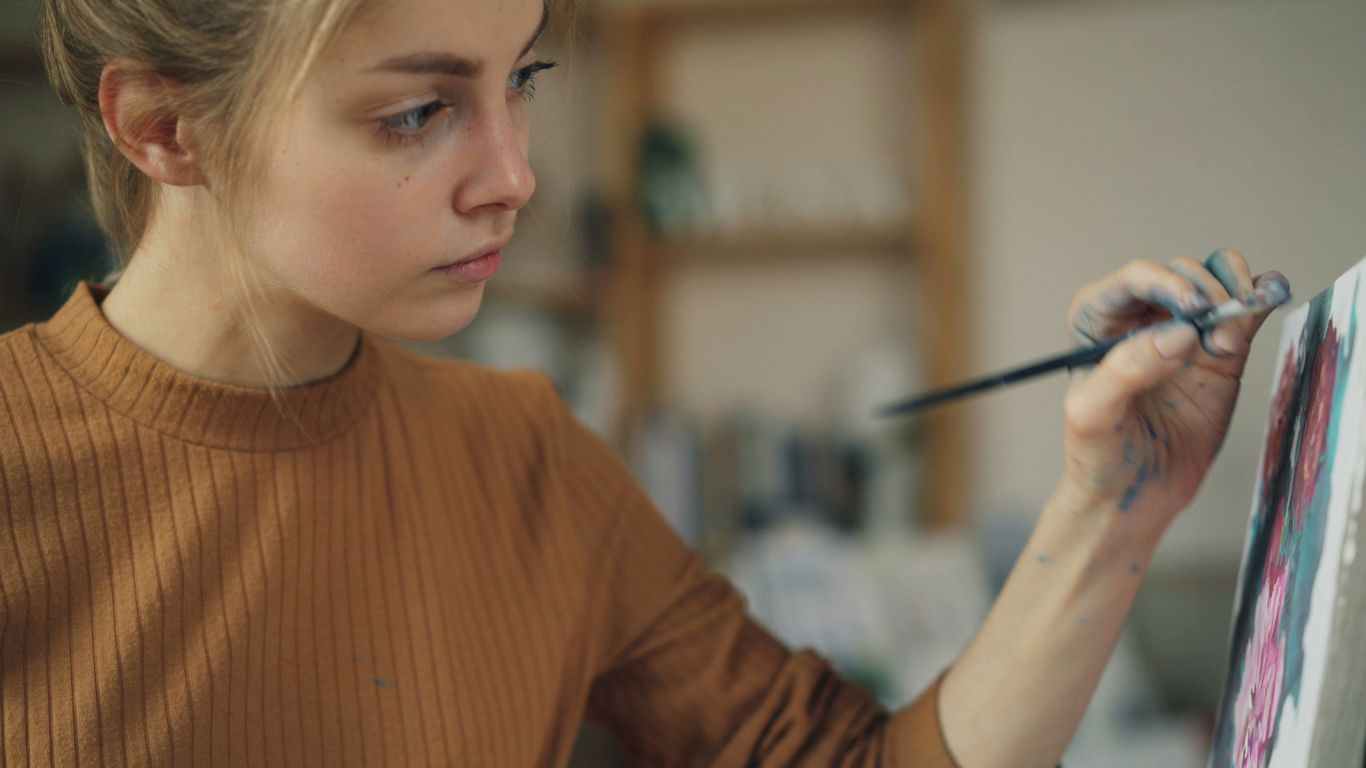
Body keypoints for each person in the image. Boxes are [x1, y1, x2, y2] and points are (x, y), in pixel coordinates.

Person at [0, 0, 1288, 765]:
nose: (516, 174)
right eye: (416, 113)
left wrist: (1115, 504)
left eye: (520, 83)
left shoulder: (523, 456)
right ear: (164, 127)